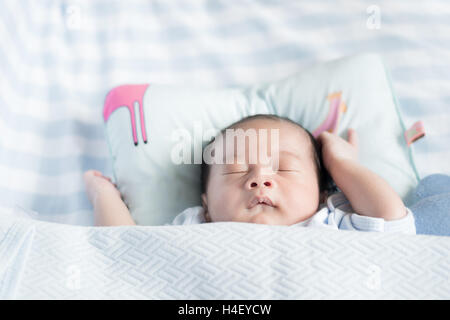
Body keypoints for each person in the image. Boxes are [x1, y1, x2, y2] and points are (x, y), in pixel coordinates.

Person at [84, 114, 415, 234]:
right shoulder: (194, 229)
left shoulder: (329, 223)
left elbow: (394, 223)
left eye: (283, 168)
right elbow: (124, 251)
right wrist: (104, 194)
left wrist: (342, 164)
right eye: (236, 169)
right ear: (207, 207)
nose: (259, 179)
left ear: (322, 194)